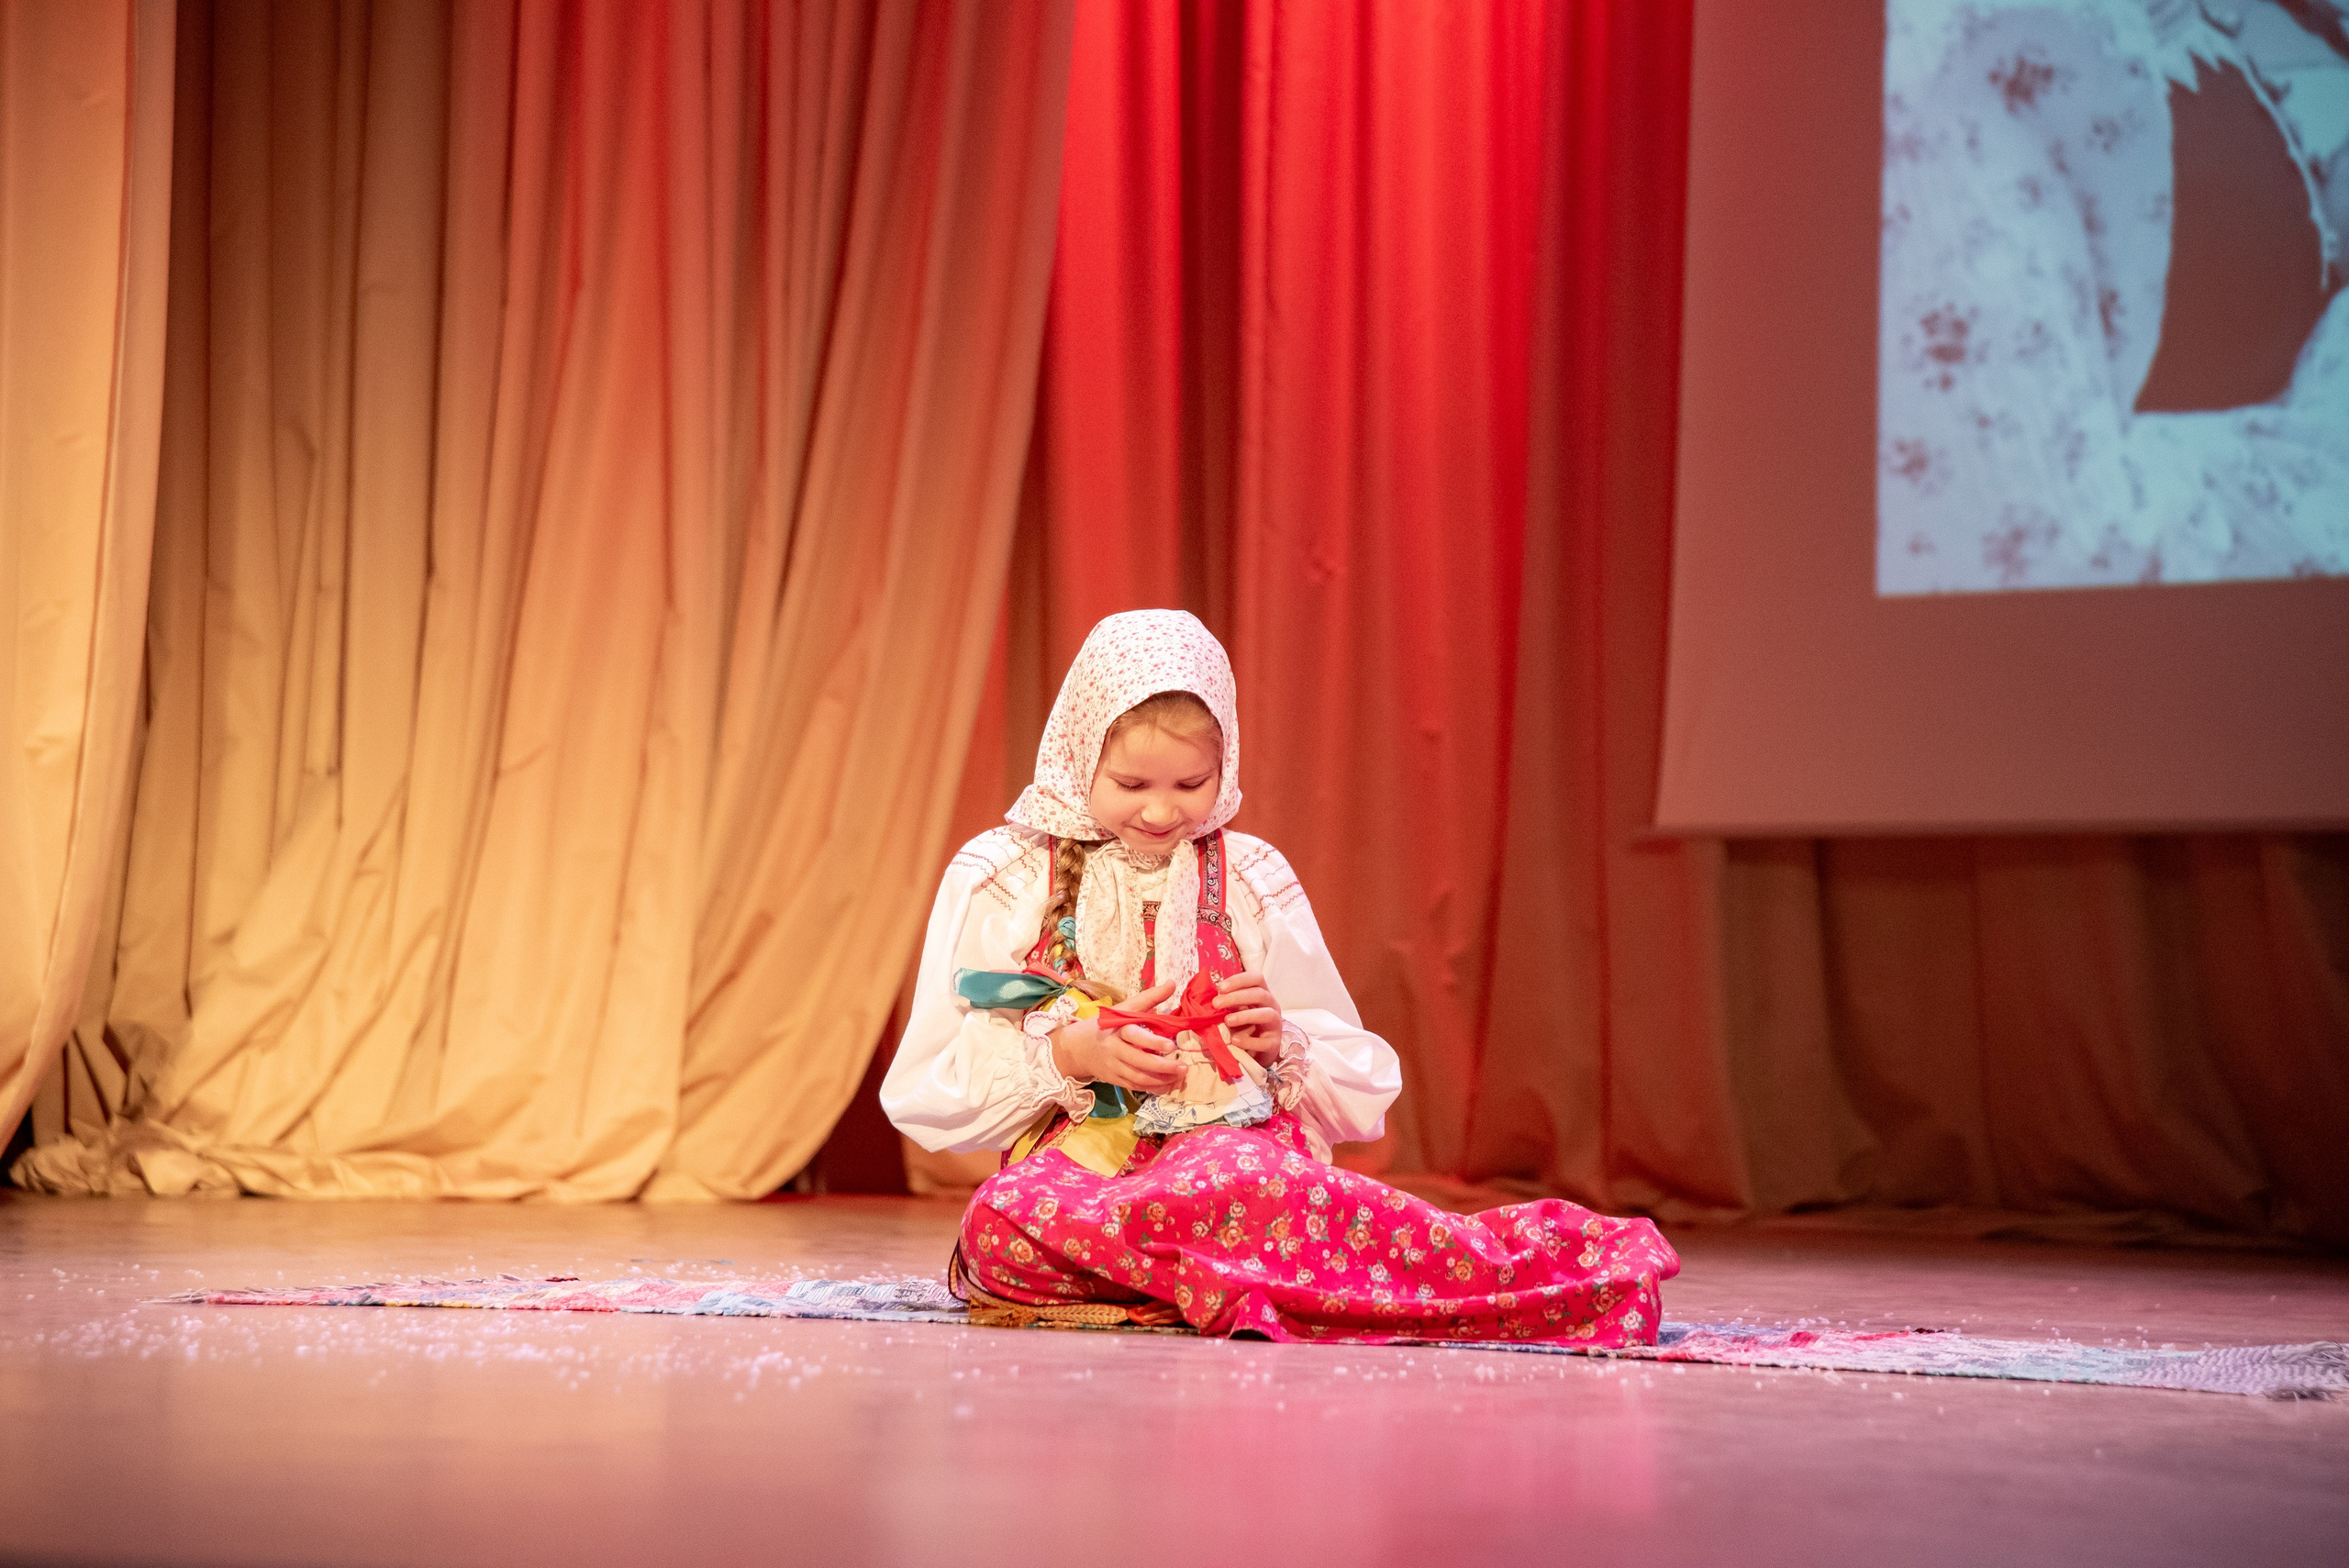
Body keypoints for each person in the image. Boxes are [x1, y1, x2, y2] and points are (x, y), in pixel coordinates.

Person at [882, 609, 1679, 1345]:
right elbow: (929, 1082)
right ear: (1076, 749)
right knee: (1001, 1228)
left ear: (1224, 761)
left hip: (1230, 1152)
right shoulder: (1008, 873)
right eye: (1132, 785)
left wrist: (1279, 1042)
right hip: (1087, 1169)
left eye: (1190, 785)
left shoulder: (1251, 874)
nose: (1162, 812)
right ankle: (1267, 1280)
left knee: (1239, 1184)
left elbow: (1355, 1078)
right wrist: (1071, 1054)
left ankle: (1530, 1270)